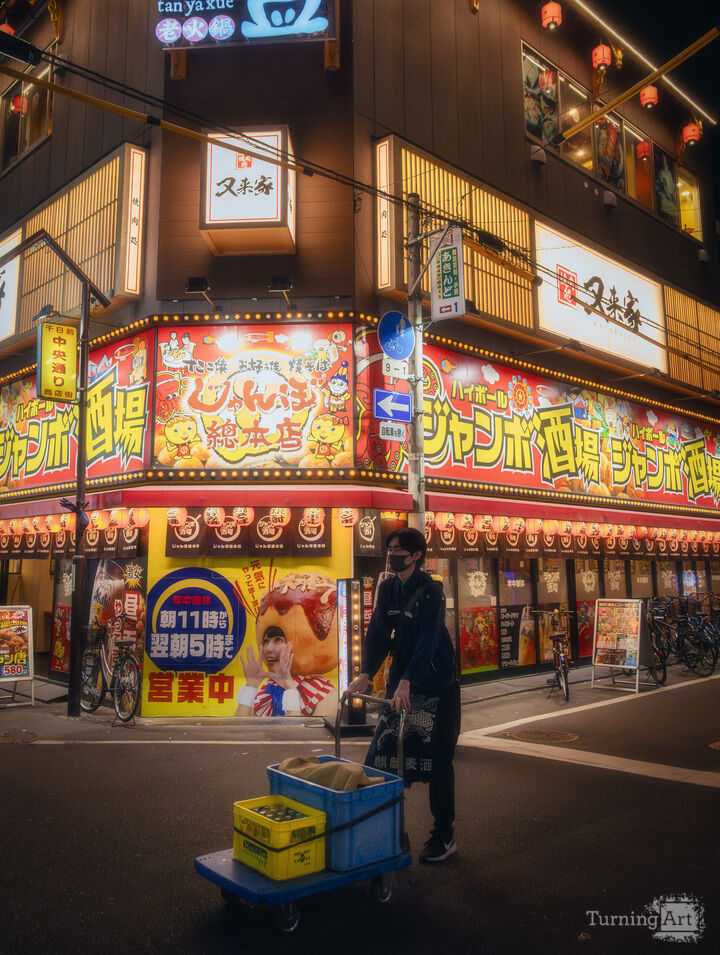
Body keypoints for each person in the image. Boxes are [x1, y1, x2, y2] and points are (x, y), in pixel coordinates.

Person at [348, 527, 461, 863]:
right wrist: (366, 673)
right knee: (386, 758)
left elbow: (428, 643)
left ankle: (444, 835)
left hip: (436, 686)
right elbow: (379, 634)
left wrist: (409, 679)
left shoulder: (432, 592)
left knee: (439, 760)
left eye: (398, 549)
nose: (392, 553)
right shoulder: (387, 588)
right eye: (390, 548)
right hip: (402, 688)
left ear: (415, 556)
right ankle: (387, 832)